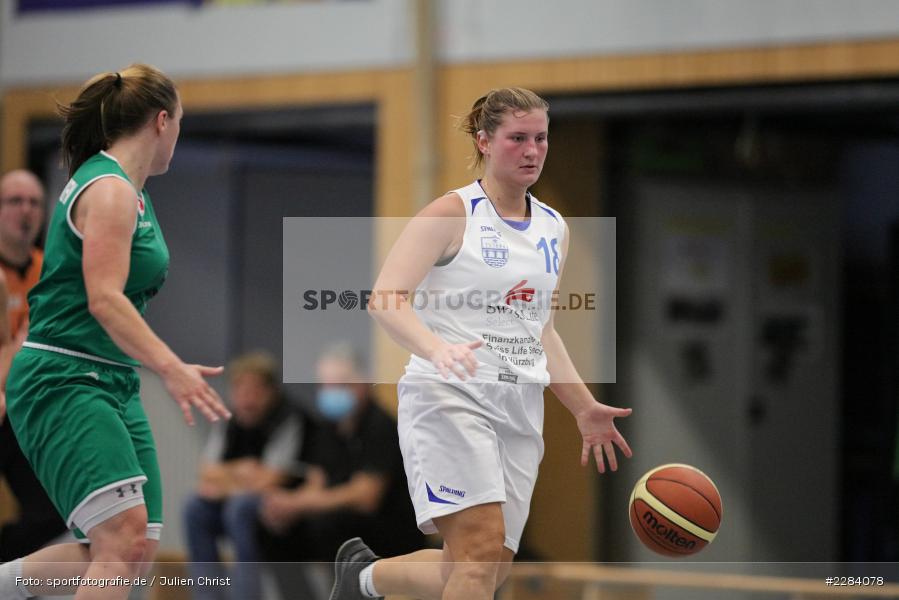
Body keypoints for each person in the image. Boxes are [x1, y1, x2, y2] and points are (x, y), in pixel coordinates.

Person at [329, 88, 633, 600]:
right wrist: (435, 349)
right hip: (448, 395)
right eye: (518, 138)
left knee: (486, 567)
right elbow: (384, 298)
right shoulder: (452, 213)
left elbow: (541, 329)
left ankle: (364, 578)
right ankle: (363, 579)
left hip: (518, 405)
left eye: (540, 138)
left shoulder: (554, 227)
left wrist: (582, 407)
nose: (532, 150)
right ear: (485, 141)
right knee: (478, 552)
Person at [0, 64, 231, 600]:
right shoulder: (109, 191)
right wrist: (172, 368)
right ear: (162, 120)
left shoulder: (132, 192)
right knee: (120, 543)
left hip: (108, 378)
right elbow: (104, 299)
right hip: (65, 376)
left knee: (134, 546)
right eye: (180, 124)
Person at [260, 344, 422, 599]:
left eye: (340, 385)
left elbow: (365, 497)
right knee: (273, 528)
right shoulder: (328, 428)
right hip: (341, 520)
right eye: (326, 386)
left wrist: (300, 504)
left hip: (389, 524)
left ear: (361, 385)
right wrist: (288, 505)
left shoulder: (382, 425)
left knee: (327, 524)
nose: (330, 393)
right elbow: (318, 481)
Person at [184, 351, 303, 600]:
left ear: (271, 392)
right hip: (236, 502)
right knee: (195, 508)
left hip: (282, 513)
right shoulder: (228, 421)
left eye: (255, 390)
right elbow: (206, 472)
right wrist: (242, 470)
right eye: (240, 390)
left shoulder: (288, 418)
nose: (247, 399)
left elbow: (271, 479)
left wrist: (227, 482)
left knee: (239, 508)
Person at [0, 168, 69, 561]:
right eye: (15, 201)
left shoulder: (52, 272)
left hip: (28, 413)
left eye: (34, 203)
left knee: (55, 510)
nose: (25, 211)